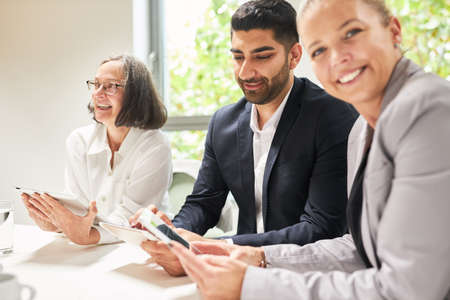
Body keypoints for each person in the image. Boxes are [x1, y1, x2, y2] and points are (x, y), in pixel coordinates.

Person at [167, 0, 450, 299]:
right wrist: (259, 257)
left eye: (351, 33)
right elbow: (359, 248)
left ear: (393, 31)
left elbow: (409, 289)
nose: (338, 58)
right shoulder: (362, 130)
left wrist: (251, 285)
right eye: (320, 50)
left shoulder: (428, 111)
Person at [131, 0, 357, 277]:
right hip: (241, 274)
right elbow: (204, 202)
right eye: (238, 57)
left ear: (294, 56)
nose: (245, 72)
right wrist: (175, 235)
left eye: (262, 56)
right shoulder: (223, 123)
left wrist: (217, 246)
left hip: (309, 276)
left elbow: (321, 228)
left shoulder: (332, 117)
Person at [21, 55, 172, 245]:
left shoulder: (155, 145)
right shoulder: (79, 141)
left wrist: (90, 235)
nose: (97, 93)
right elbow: (80, 210)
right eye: (96, 84)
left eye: (110, 86)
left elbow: (133, 217)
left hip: (145, 248)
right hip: (96, 248)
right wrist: (56, 223)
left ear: (136, 94)